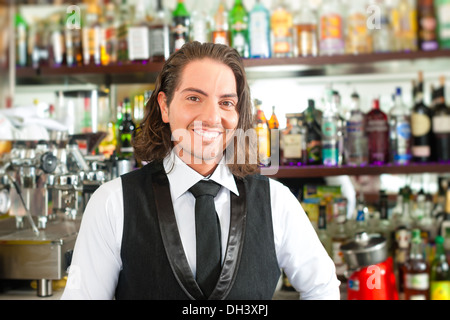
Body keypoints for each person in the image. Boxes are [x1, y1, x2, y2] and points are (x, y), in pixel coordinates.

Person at [61, 42, 340, 300]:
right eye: (194, 98)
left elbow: (322, 287)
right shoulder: (112, 203)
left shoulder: (276, 202)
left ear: (238, 113)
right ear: (165, 107)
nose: (211, 117)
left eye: (226, 102)